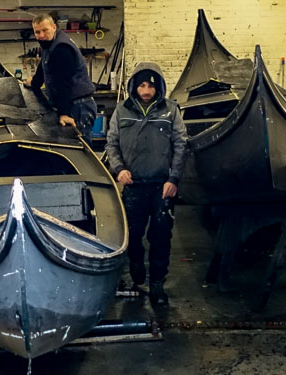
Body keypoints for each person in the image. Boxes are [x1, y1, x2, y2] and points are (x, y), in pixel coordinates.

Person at [105, 62, 188, 305]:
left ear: (158, 87)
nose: (146, 90)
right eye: (141, 85)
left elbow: (181, 145)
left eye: (150, 86)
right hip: (134, 186)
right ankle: (136, 269)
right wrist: (119, 170)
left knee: (161, 237)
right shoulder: (122, 110)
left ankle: (157, 285)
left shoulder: (170, 110)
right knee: (132, 235)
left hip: (162, 187)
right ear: (134, 86)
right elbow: (111, 144)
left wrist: (173, 179)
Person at [24, 14, 97, 145]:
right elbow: (44, 65)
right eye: (37, 32)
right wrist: (34, 83)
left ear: (54, 27)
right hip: (73, 104)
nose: (41, 35)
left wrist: (64, 114)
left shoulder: (61, 49)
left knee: (80, 150)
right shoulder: (49, 44)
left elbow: (62, 83)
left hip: (78, 106)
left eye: (45, 30)